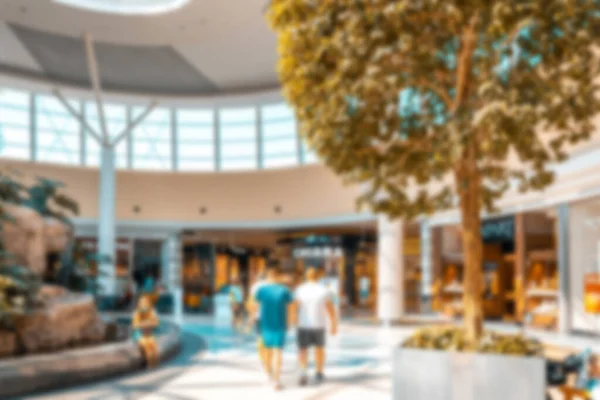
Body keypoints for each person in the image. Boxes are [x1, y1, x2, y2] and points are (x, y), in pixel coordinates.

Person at [251, 265, 295, 390]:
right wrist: (291, 321)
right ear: (278, 275)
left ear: (268, 275)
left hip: (265, 324)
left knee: (267, 351)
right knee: (278, 352)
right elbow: (291, 308)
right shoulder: (284, 290)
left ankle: (268, 373)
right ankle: (276, 380)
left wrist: (252, 319)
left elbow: (254, 306)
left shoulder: (262, 290)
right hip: (280, 324)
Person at [295, 267, 338, 386]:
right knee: (319, 349)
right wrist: (334, 324)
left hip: (303, 324)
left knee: (303, 349)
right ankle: (319, 372)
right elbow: (331, 309)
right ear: (317, 277)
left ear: (306, 276)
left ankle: (303, 372)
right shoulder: (324, 290)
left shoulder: (300, 289)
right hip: (319, 324)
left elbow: (295, 306)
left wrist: (292, 320)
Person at [132, 295, 160, 368]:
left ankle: (154, 363)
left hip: (149, 334)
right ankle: (150, 364)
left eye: (146, 304)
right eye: (142, 304)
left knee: (153, 346)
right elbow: (135, 325)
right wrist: (145, 324)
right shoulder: (137, 313)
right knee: (146, 346)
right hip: (140, 335)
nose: (144, 306)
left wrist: (147, 324)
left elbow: (156, 323)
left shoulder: (151, 312)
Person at [247, 272, 268, 370]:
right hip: (270, 315)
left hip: (258, 315)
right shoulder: (270, 284)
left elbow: (253, 303)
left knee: (260, 336)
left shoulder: (254, 287)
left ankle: (262, 358)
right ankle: (269, 356)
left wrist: (251, 317)